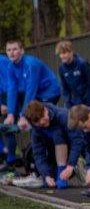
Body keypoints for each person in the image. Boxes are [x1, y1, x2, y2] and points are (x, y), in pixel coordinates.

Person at [3, 39, 61, 171]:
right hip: (36, 93)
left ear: (22, 51)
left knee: (39, 120)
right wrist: (11, 114)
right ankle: (37, 162)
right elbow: (12, 89)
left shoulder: (30, 64)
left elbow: (31, 91)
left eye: (15, 49)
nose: (12, 53)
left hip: (49, 92)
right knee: (32, 123)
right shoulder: (11, 67)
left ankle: (52, 159)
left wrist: (23, 116)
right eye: (9, 50)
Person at [24, 100, 90, 188]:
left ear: (45, 110)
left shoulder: (63, 116)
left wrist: (70, 165)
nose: (42, 123)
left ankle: (76, 164)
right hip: (53, 153)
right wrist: (46, 175)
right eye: (38, 123)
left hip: (73, 148)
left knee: (57, 133)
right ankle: (60, 171)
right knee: (49, 182)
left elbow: (77, 141)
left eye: (43, 118)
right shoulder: (36, 130)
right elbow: (38, 153)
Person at [57, 40, 90, 107]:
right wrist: (68, 101)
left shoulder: (82, 64)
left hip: (88, 101)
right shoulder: (61, 68)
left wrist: (89, 102)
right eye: (60, 54)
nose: (62, 56)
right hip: (74, 102)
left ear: (71, 52)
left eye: (64, 53)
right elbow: (64, 87)